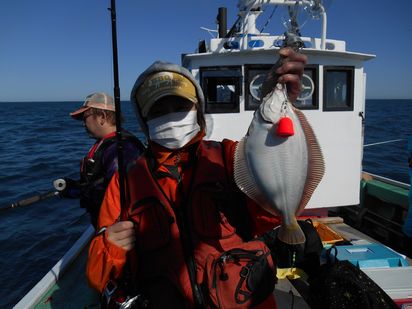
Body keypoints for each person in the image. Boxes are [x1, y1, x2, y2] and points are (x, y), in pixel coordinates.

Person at [86, 48, 307, 308]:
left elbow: (269, 209)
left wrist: (280, 99)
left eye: (180, 105)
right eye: (158, 109)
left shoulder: (229, 157)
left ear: (197, 110)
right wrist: (110, 246)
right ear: (145, 120)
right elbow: (100, 278)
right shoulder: (125, 183)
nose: (170, 114)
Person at [60, 92, 145, 228]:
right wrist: (74, 187)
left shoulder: (120, 149)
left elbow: (118, 196)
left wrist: (77, 191)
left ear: (102, 117)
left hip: (118, 231)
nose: (83, 123)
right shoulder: (107, 144)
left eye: (85, 117)